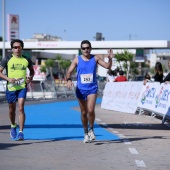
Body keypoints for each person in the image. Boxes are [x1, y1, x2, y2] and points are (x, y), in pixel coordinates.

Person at [66, 40, 113, 143]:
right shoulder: (77, 60)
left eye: (87, 48)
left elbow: (108, 66)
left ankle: (91, 129)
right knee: (84, 112)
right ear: (81, 49)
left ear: (90, 48)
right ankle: (85, 132)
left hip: (92, 89)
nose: (86, 50)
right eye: (83, 48)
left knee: (90, 110)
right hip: (80, 89)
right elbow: (69, 71)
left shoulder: (95, 58)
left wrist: (109, 58)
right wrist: (69, 80)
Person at [0, 39, 34, 140]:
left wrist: (30, 78)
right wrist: (8, 79)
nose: (17, 49)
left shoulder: (26, 60)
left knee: (21, 108)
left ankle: (21, 132)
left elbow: (32, 71)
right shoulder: (7, 59)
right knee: (12, 110)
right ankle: (13, 125)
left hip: (22, 87)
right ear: (12, 49)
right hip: (11, 87)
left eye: (19, 47)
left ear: (22, 48)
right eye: (15, 47)